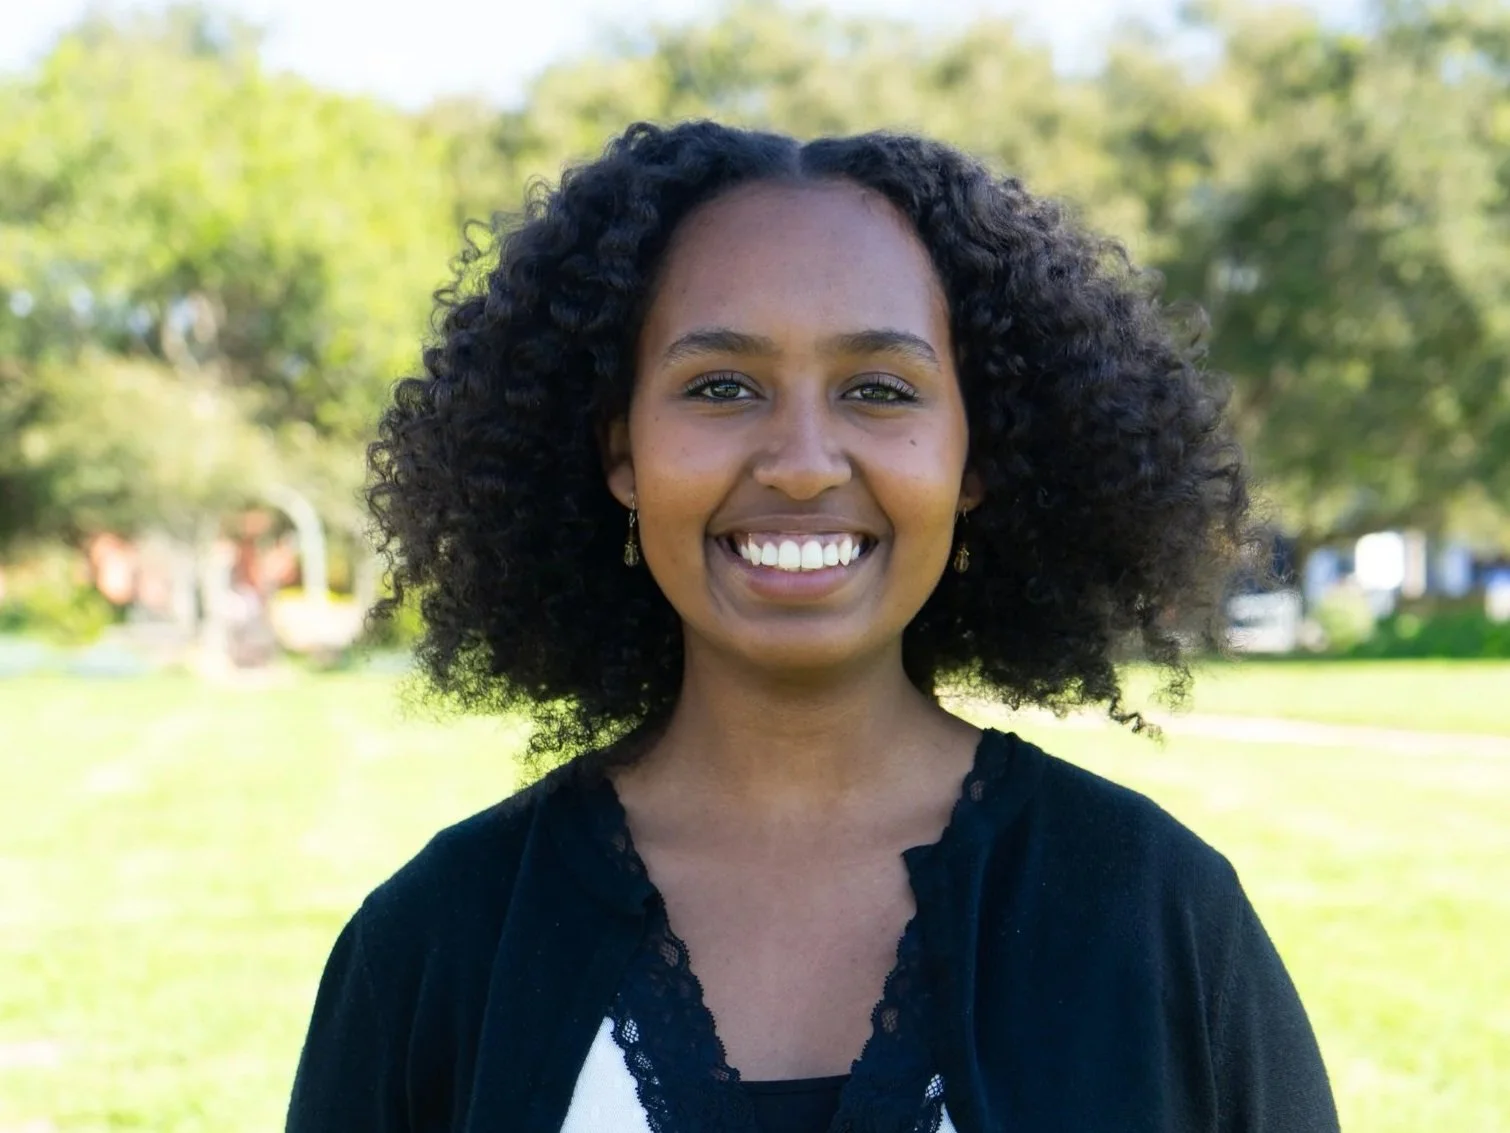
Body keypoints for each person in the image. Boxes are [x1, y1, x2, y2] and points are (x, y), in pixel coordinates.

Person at [285, 121, 1339, 1133]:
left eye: (879, 389)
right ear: (621, 454)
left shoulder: (1156, 915)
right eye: (721, 386)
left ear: (973, 457)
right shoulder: (435, 942)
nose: (799, 461)